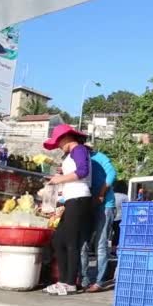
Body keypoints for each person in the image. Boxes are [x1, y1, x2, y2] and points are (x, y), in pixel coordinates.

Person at [42, 125, 93, 296]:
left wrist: (59, 179)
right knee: (58, 240)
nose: (57, 145)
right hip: (72, 199)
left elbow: (83, 172)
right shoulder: (72, 154)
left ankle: (71, 282)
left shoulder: (78, 149)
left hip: (79, 199)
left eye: (57, 141)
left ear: (66, 137)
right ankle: (63, 280)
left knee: (71, 242)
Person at [80, 146, 117, 293]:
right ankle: (84, 279)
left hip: (105, 206)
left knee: (100, 246)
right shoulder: (78, 159)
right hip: (87, 205)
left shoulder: (99, 157)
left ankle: (100, 281)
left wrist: (102, 193)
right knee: (83, 245)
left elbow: (112, 174)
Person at [111, 181, 129, 256]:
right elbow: (127, 208)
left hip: (111, 217)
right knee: (117, 235)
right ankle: (115, 250)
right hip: (121, 218)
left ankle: (111, 250)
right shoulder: (125, 197)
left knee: (108, 234)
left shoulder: (112, 195)